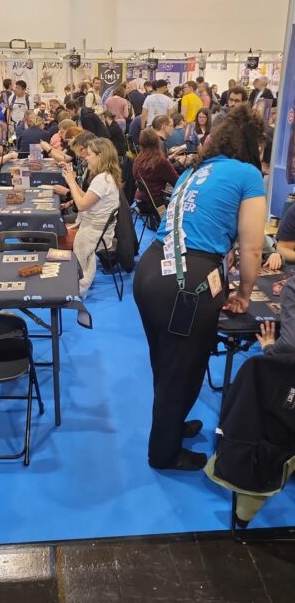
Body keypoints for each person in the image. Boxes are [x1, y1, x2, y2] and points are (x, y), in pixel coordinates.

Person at [133, 104, 266, 472]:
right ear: (253, 143)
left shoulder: (196, 169)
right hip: (186, 283)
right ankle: (163, 453)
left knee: (166, 364)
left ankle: (172, 426)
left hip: (152, 268)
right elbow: (252, 247)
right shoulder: (248, 174)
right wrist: (243, 294)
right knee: (183, 370)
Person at [61, 138, 121, 297]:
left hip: (96, 232)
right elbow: (86, 198)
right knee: (59, 229)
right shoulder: (106, 177)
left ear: (100, 156)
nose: (85, 158)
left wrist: (71, 183)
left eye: (89, 155)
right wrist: (73, 181)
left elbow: (81, 205)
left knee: (58, 234)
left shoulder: (102, 180)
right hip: (99, 228)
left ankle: (72, 284)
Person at [132, 128, 178, 207]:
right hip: (156, 204)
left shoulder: (137, 160)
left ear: (141, 142)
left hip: (140, 202)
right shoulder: (160, 162)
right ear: (157, 142)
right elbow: (176, 181)